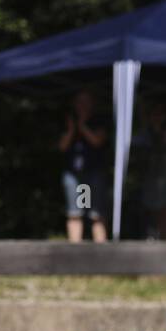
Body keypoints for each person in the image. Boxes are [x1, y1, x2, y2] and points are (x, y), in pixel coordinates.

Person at [58, 89, 110, 242]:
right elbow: (62, 147)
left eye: (86, 101)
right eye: (79, 102)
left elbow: (97, 141)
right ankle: (75, 251)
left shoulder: (98, 121)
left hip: (93, 173)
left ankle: (101, 251)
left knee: (96, 213)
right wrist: (72, 129)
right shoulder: (68, 122)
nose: (83, 105)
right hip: (74, 174)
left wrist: (82, 126)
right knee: (75, 212)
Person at [136, 101, 166, 240]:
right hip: (153, 174)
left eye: (160, 114)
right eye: (154, 114)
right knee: (155, 210)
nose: (157, 117)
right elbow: (139, 149)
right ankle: (158, 240)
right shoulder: (145, 131)